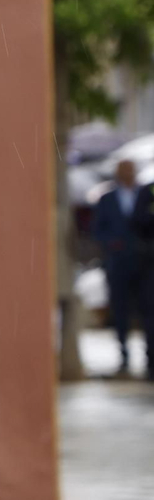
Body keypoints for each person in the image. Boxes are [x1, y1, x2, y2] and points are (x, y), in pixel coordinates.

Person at [91, 159, 154, 377]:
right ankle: (123, 356)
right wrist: (112, 245)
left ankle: (150, 358)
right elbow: (98, 230)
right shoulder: (107, 199)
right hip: (118, 262)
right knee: (120, 310)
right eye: (123, 170)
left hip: (146, 262)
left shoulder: (147, 194)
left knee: (149, 310)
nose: (127, 173)